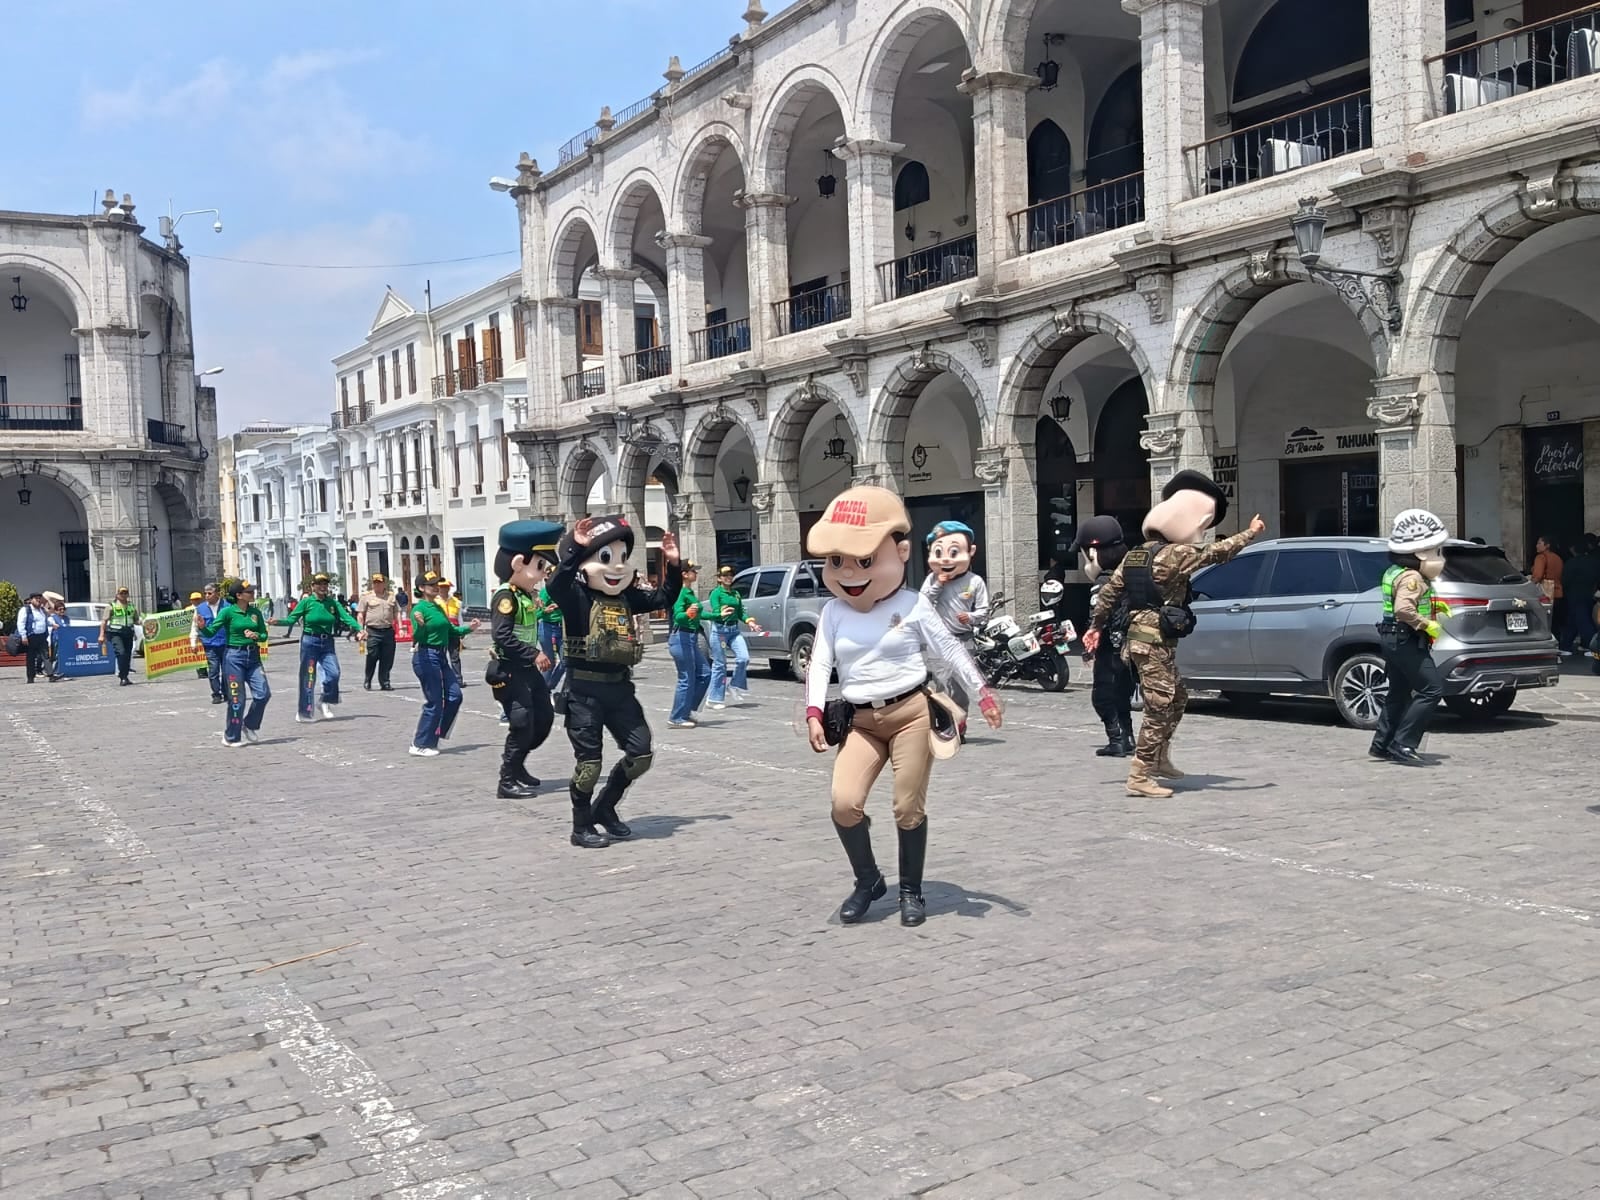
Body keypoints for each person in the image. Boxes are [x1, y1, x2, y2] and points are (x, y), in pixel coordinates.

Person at [804, 487, 1002, 927]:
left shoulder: (913, 605)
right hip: (860, 721)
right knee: (844, 803)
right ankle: (869, 880)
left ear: (901, 552)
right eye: (836, 561)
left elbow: (950, 649)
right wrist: (814, 712)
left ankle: (911, 891)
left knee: (907, 806)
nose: (849, 572)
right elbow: (820, 662)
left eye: (865, 560)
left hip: (910, 713)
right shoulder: (834, 612)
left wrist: (982, 692)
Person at [1085, 471, 1265, 798]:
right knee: (1159, 706)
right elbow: (1217, 553)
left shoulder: (1136, 555)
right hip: (1151, 642)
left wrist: (1096, 625)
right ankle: (1140, 774)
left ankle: (1159, 758)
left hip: (1146, 642)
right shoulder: (1175, 554)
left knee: (1178, 697)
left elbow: (1110, 593)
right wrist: (1250, 533)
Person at [546, 516, 682, 849]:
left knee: (641, 753)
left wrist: (674, 564)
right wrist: (575, 550)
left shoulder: (625, 598)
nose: (617, 567)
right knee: (589, 764)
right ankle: (581, 827)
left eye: (622, 558)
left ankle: (605, 807)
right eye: (606, 558)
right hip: (584, 692)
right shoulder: (576, 597)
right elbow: (556, 586)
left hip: (620, 689)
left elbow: (664, 598)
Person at [486, 520, 565, 798]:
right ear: (519, 563)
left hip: (526, 669)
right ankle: (506, 780)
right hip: (509, 669)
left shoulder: (524, 596)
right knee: (521, 721)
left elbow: (527, 626)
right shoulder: (506, 596)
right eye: (540, 566)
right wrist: (535, 653)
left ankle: (518, 765)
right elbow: (503, 635)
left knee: (543, 716)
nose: (543, 574)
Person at [1371, 509, 1454, 766]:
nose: (1439, 558)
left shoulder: (1394, 571)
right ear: (1419, 554)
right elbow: (1403, 609)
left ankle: (1382, 744)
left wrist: (1433, 609)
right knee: (1432, 689)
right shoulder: (1413, 576)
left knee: (1398, 692)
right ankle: (1404, 743)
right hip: (1405, 638)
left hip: (1392, 637)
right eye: (1436, 552)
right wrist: (1426, 623)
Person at [1073, 516, 1136, 758]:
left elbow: (1097, 618)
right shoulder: (1130, 573)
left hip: (1110, 647)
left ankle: (1116, 739)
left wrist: (1089, 649)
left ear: (1092, 552)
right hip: (1130, 646)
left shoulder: (1102, 582)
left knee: (1103, 695)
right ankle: (1128, 736)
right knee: (1123, 693)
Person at [919, 521, 990, 733]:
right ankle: (945, 722)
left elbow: (984, 611)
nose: (947, 558)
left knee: (959, 686)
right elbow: (922, 602)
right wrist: (939, 583)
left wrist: (970, 617)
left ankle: (959, 723)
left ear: (970, 551)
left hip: (964, 639)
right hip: (939, 641)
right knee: (942, 685)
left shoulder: (975, 581)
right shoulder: (932, 579)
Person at [275, 572, 366, 722]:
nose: (323, 587)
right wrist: (277, 622)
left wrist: (359, 628)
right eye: (320, 584)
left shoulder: (332, 603)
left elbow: (346, 617)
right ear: (313, 587)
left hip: (327, 642)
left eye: (325, 584)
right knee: (309, 677)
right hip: (310, 641)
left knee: (334, 673)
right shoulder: (307, 602)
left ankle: (324, 700)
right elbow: (292, 619)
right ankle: (305, 712)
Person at [408, 571, 477, 757]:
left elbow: (451, 630)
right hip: (426, 655)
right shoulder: (418, 609)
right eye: (431, 585)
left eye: (437, 584)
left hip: (441, 655)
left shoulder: (438, 607)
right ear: (421, 588)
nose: (436, 587)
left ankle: (436, 734)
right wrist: (421, 626)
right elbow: (418, 638)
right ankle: (419, 743)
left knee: (455, 696)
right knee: (435, 701)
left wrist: (468, 629)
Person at [199, 582, 271, 747]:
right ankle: (231, 736)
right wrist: (202, 627)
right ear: (239, 595)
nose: (252, 593)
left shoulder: (255, 612)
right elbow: (211, 631)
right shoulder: (227, 612)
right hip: (234, 657)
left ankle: (250, 724)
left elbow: (263, 635)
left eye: (253, 590)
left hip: (253, 656)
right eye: (248, 591)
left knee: (263, 694)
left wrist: (257, 636)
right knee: (237, 699)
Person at [705, 565, 761, 709]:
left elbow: (741, 612)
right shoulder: (716, 593)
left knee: (744, 658)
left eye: (730, 575)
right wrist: (722, 611)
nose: (728, 578)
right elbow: (715, 609)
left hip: (734, 630)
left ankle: (734, 684)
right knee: (720, 664)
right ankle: (714, 698)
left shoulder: (736, 594)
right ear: (719, 578)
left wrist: (751, 622)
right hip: (720, 631)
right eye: (725, 575)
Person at [668, 562, 712, 728]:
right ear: (684, 574)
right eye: (693, 571)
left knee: (705, 674)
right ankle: (676, 717)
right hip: (681, 637)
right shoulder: (680, 592)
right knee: (686, 678)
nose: (696, 573)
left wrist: (718, 615)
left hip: (690, 637)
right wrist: (688, 613)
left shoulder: (689, 592)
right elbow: (678, 616)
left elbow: (700, 614)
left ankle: (686, 710)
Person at [358, 573, 400, 690]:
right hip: (373, 631)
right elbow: (361, 614)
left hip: (387, 630)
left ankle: (385, 682)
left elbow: (397, 612)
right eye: (375, 582)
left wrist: (401, 628)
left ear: (384, 583)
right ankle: (368, 679)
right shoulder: (366, 597)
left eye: (379, 582)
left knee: (387, 658)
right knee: (372, 655)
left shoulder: (391, 596)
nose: (377, 584)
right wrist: (360, 629)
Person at [1563, 533, 1600, 659]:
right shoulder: (1594, 561)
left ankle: (1593, 647)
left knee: (1583, 621)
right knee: (1574, 620)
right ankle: (1565, 646)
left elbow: (1566, 580)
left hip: (1575, 594)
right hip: (1590, 593)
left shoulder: (1571, 562)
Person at [191, 584, 229, 703]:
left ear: (217, 593)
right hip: (210, 645)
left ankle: (226, 692)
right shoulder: (200, 608)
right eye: (205, 593)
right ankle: (216, 694)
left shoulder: (228, 607)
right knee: (213, 670)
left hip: (226, 643)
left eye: (210, 593)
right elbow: (195, 627)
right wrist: (193, 642)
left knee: (227, 670)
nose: (207, 596)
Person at [98, 585, 141, 686]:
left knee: (127, 655)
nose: (123, 595)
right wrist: (101, 635)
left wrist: (145, 621)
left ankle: (124, 676)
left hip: (128, 632)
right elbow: (104, 621)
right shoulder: (111, 606)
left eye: (125, 593)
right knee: (121, 653)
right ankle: (122, 676)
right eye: (121, 593)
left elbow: (136, 620)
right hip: (115, 633)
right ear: (117, 595)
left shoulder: (131, 606)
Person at [1531, 535, 1566, 653]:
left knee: (1546, 624)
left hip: (1546, 595)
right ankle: (1558, 648)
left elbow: (1538, 576)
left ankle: (1549, 650)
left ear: (1547, 545)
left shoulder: (1541, 557)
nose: (1536, 546)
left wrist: (1530, 584)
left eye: (1539, 543)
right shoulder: (1558, 558)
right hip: (1558, 592)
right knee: (1556, 624)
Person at [537, 580, 566, 691]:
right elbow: (537, 614)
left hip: (562, 628)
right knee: (549, 662)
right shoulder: (544, 592)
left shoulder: (565, 591)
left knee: (565, 661)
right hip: (547, 627)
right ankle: (541, 690)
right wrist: (545, 611)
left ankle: (549, 686)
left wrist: (561, 604)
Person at [438, 579, 467, 688]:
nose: (443, 589)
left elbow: (459, 617)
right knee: (440, 657)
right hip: (440, 632)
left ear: (449, 588)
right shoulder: (435, 602)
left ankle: (458, 680)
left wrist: (463, 629)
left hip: (453, 632)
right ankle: (442, 680)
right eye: (441, 587)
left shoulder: (456, 602)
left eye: (445, 587)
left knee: (455, 657)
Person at [17, 592, 49, 684]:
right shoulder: (26, 610)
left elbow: (45, 621)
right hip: (31, 636)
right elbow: (21, 623)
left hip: (42, 636)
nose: (38, 600)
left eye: (39, 598)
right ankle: (30, 677)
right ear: (31, 600)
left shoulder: (42, 610)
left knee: (46, 656)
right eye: (36, 599)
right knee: (31, 658)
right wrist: (23, 636)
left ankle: (50, 675)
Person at [45, 597, 68, 681]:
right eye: (59, 609)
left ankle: (61, 671)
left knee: (63, 656)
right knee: (55, 656)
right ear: (56, 610)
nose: (62, 611)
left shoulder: (66, 618)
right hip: (56, 639)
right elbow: (49, 627)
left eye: (63, 609)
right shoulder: (52, 618)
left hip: (65, 640)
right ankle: (53, 672)